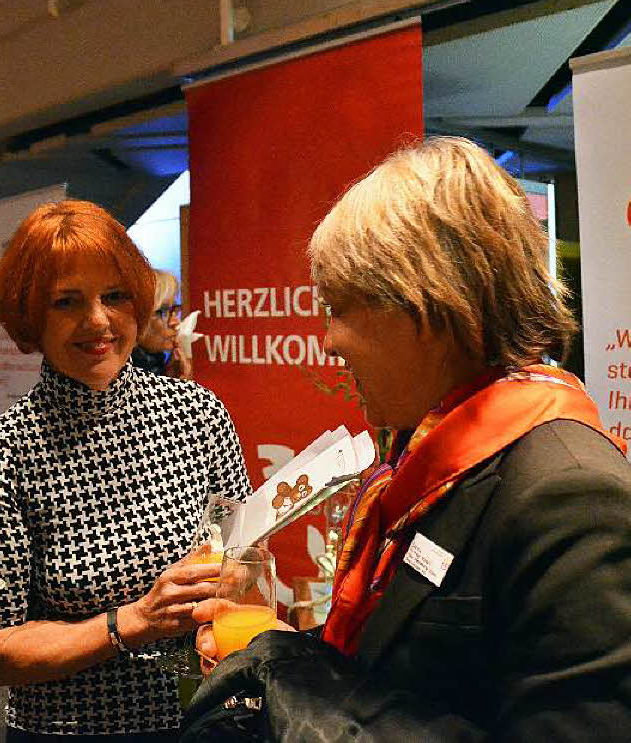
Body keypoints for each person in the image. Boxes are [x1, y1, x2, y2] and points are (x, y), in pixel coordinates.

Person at [184, 137, 631, 741]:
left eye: (339, 307)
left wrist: (299, 688)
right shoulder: (431, 452)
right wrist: (290, 655)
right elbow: (409, 670)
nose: (330, 342)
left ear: (430, 304)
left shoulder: (571, 493)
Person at [0, 199, 252, 741]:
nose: (97, 321)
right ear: (29, 317)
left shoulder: (197, 414)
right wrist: (134, 621)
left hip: (203, 714)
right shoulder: (3, 454)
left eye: (114, 296)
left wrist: (225, 582)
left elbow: (245, 558)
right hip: (72, 728)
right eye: (66, 302)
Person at [131, 268, 192, 379]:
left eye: (174, 310)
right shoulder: (120, 378)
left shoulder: (157, 365)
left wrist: (173, 382)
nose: (175, 322)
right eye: (163, 311)